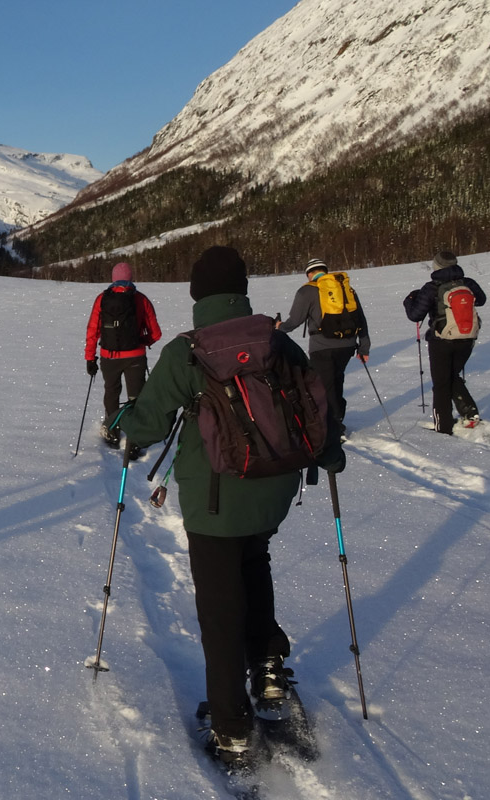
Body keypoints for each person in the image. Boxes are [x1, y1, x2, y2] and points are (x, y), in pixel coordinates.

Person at [114, 246, 345, 768]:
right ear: (242, 289)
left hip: (215, 502)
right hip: (275, 490)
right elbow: (316, 408)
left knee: (219, 610)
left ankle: (232, 728)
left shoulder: (187, 352)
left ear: (198, 295)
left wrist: (126, 425)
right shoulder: (278, 341)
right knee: (255, 566)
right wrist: (330, 456)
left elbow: (146, 424)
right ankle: (267, 672)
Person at [276, 258, 370, 440]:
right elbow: (361, 319)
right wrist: (364, 347)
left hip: (322, 347)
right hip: (348, 345)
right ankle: (336, 420)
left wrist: (279, 327)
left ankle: (334, 428)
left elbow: (294, 321)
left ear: (309, 274)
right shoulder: (345, 289)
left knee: (323, 387)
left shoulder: (307, 291)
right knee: (336, 381)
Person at [404, 250, 487, 434]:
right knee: (452, 376)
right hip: (467, 338)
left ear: (437, 266)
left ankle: (443, 428)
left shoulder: (432, 287)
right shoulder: (468, 283)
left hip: (441, 340)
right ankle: (470, 412)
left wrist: (409, 300)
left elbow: (415, 315)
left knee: (441, 383)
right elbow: (481, 300)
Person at [84, 262, 162, 454]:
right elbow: (156, 333)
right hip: (135, 356)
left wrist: (90, 358)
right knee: (136, 397)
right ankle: (134, 439)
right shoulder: (141, 299)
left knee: (111, 392)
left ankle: (112, 431)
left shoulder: (102, 299)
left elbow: (92, 331)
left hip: (108, 357)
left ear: (113, 278)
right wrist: (142, 341)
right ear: (131, 278)